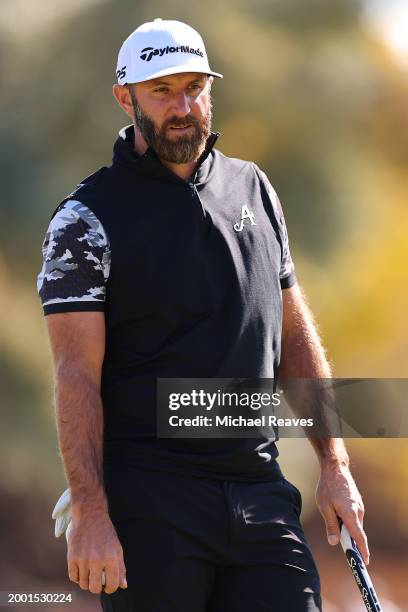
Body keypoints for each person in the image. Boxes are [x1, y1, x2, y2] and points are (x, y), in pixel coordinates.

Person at [37, 18, 369, 612]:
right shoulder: (85, 220)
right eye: (162, 90)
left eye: (194, 87)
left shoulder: (254, 189)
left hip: (259, 491)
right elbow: (75, 374)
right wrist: (91, 511)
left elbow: (293, 333)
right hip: (149, 503)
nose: (182, 106)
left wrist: (334, 465)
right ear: (125, 97)